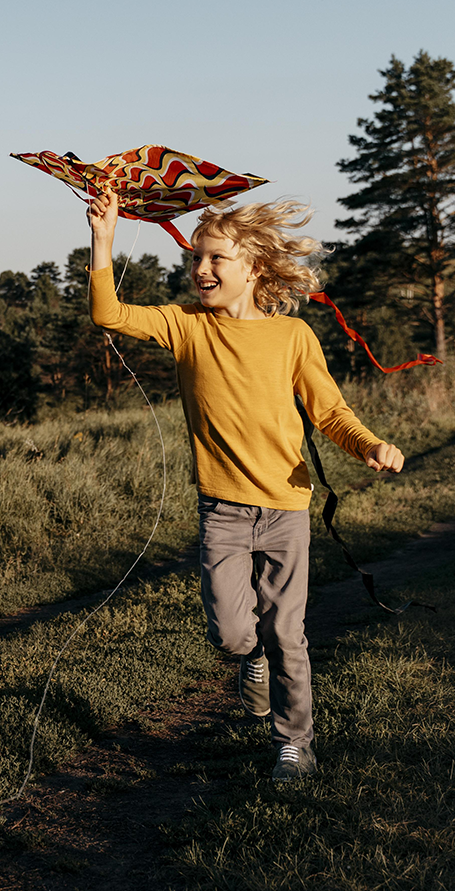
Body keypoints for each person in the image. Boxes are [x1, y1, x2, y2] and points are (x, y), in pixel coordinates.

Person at [85, 188, 405, 781]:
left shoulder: (293, 336)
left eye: (216, 258)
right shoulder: (187, 326)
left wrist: (369, 445)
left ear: (254, 268)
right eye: (196, 258)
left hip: (286, 507)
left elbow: (330, 412)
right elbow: (109, 314)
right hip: (223, 510)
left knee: (288, 632)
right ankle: (249, 657)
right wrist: (104, 237)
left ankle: (295, 744)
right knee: (233, 635)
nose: (201, 268)